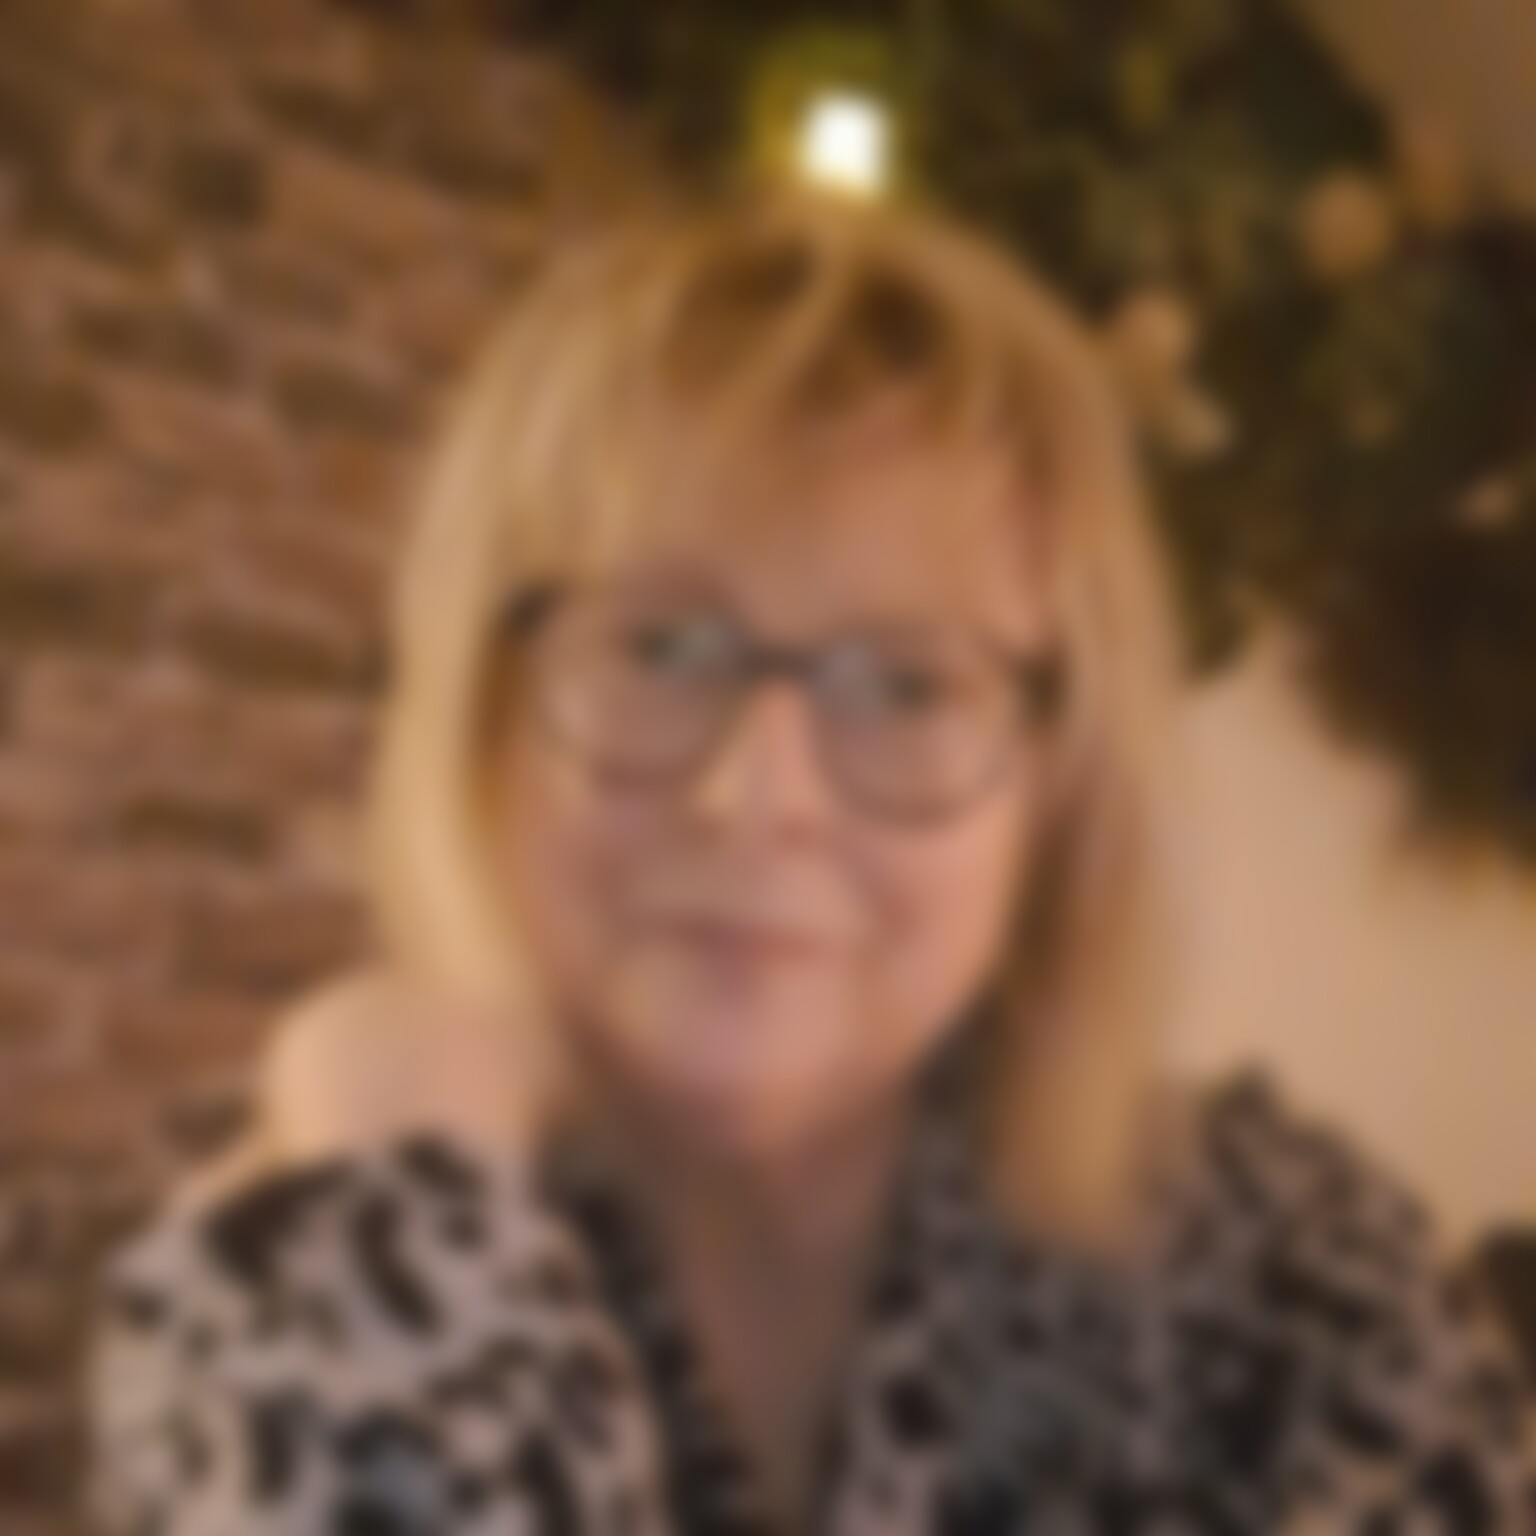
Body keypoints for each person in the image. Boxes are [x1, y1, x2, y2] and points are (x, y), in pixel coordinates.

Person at [87, 188, 1532, 1535]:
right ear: (484, 720)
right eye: (661, 645)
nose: (758, 796)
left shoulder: (1299, 1294)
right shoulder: (287, 1290)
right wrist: (416, 1251)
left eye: (906, 684)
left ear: (1056, 792)